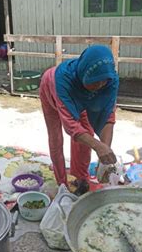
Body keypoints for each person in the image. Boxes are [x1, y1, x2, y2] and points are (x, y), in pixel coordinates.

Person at [39, 45, 119, 195]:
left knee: (85, 135)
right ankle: (61, 182)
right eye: (95, 82)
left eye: (103, 82)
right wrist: (98, 146)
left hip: (81, 98)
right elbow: (70, 126)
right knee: (56, 138)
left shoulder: (110, 79)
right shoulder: (63, 80)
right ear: (85, 75)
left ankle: (81, 178)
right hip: (51, 89)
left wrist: (104, 151)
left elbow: (108, 115)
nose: (100, 86)